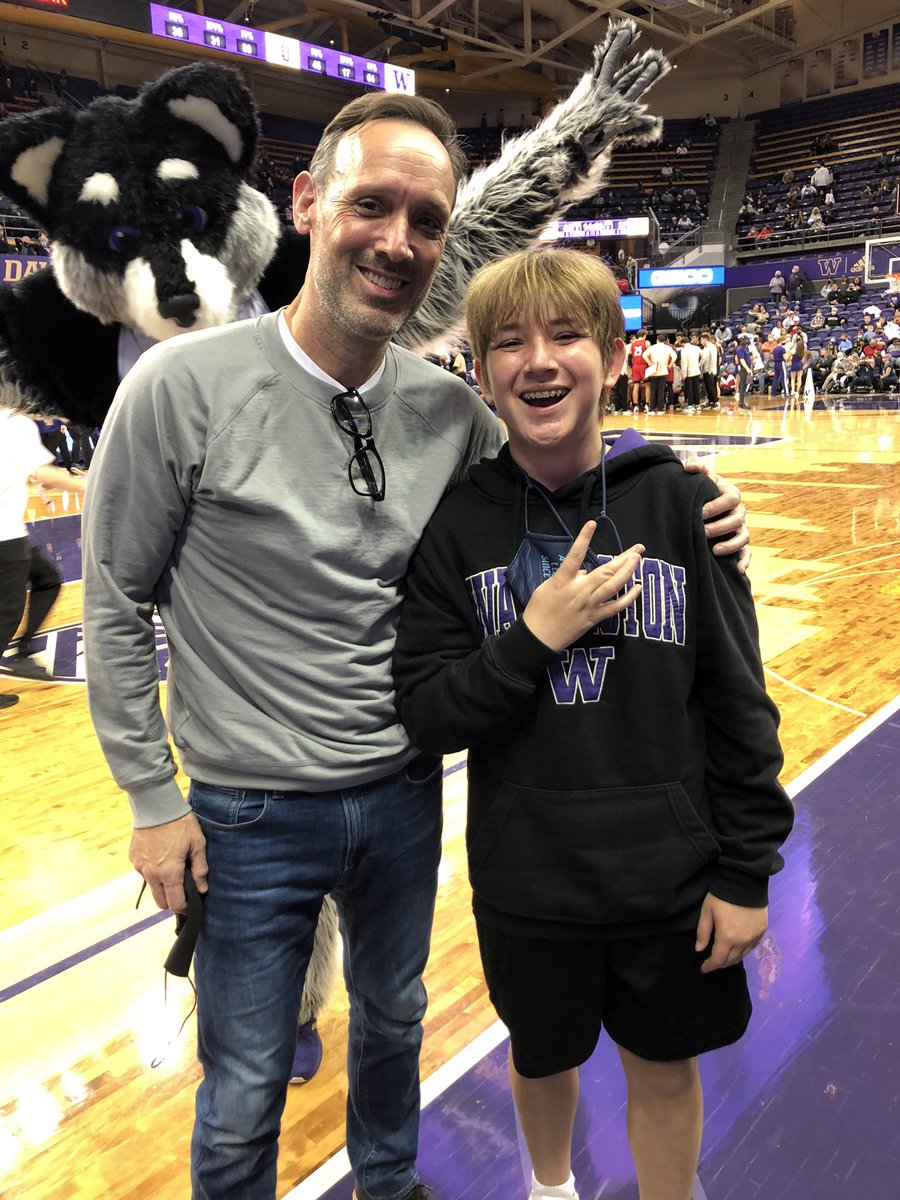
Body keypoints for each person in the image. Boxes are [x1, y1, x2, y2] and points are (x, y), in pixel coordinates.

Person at [82, 93, 751, 1200]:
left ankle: (390, 1189)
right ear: (307, 203)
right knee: (243, 1086)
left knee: (396, 1024)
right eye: (371, 205)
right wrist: (153, 799)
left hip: (404, 796)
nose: (398, 241)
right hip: (249, 812)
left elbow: (557, 466)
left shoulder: (452, 414)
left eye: (427, 220)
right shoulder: (178, 387)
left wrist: (693, 503)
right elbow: (112, 601)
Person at [392, 247, 792, 1200]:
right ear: (481, 369)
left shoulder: (683, 503)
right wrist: (531, 638)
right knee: (540, 1057)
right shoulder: (455, 528)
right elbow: (427, 713)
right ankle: (549, 1189)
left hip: (670, 877)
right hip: (529, 881)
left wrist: (746, 871)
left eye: (567, 335)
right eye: (509, 342)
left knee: (665, 1066)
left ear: (614, 357)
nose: (538, 360)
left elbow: (740, 704)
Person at [1, 408, 86, 709]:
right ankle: (22, 650)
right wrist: (91, 486)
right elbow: (44, 473)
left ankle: (24, 651)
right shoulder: (15, 423)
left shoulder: (10, 423)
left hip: (13, 532)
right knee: (8, 612)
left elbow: (28, 468)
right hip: (5, 536)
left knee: (47, 579)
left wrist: (43, 490)